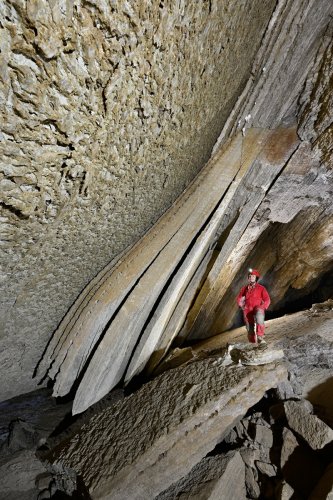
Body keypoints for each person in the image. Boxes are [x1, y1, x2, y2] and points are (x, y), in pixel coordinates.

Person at [236, 268, 270, 343]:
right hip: (248, 309)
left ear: (256, 278)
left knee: (260, 316)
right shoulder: (244, 289)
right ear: (248, 278)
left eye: (253, 276)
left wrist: (263, 307)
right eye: (250, 276)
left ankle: (260, 337)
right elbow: (239, 298)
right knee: (249, 328)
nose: (251, 277)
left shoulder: (261, 288)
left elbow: (267, 299)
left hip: (257, 308)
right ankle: (252, 342)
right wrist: (242, 305)